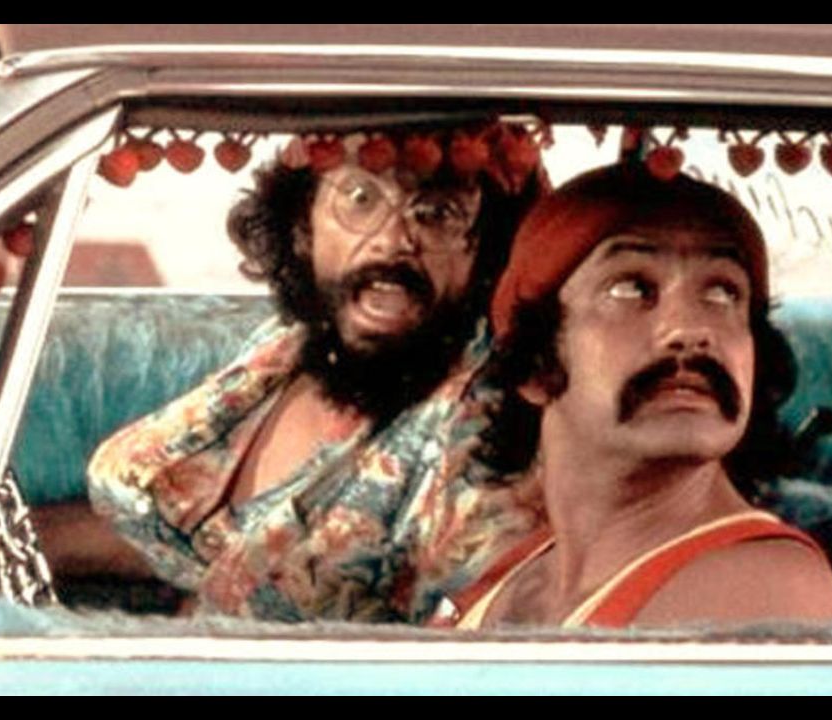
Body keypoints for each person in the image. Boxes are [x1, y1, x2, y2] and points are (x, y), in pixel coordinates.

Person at [74, 123, 546, 622]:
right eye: (361, 199)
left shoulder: (486, 431)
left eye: (437, 213)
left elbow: (464, 644)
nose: (393, 242)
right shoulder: (289, 348)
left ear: (485, 248)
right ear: (304, 226)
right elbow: (189, 548)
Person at [437, 162, 832, 629]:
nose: (689, 330)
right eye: (631, 288)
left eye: (722, 293)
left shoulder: (764, 589)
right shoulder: (518, 570)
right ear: (535, 365)